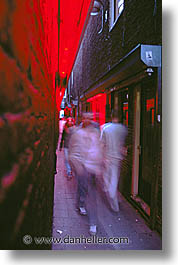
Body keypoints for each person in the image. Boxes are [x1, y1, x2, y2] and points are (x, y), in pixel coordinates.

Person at [68, 112, 102, 235]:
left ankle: (93, 222)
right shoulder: (77, 134)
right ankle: (80, 203)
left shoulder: (96, 133)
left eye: (90, 118)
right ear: (83, 119)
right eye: (86, 118)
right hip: (82, 168)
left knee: (91, 194)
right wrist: (77, 166)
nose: (89, 120)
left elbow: (100, 149)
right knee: (83, 189)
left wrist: (100, 165)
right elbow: (72, 152)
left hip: (93, 169)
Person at [100, 109, 128, 212]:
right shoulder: (123, 129)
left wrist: (101, 156)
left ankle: (113, 198)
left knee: (108, 177)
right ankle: (112, 193)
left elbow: (102, 144)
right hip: (118, 157)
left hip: (107, 156)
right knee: (114, 177)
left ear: (111, 116)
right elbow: (123, 143)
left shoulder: (105, 128)